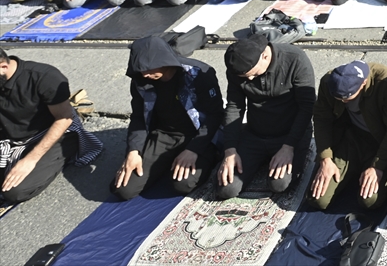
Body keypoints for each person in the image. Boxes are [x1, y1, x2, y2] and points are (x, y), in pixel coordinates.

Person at [112, 36, 223, 200]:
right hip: (163, 135)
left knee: (182, 184)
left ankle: (207, 158)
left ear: (163, 60)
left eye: (149, 69)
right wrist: (133, 151)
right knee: (123, 189)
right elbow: (138, 118)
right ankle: (164, 163)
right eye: (141, 70)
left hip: (197, 133)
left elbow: (215, 115)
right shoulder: (140, 80)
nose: (146, 74)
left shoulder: (198, 74)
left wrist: (194, 149)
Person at [217, 35, 316, 199]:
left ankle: (292, 157)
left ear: (264, 55)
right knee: (226, 189)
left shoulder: (295, 59)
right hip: (255, 133)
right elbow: (235, 106)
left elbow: (307, 107)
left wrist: (288, 147)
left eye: (252, 74)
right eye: (245, 77)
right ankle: (258, 159)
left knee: (279, 184)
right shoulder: (238, 68)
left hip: (289, 134)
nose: (249, 79)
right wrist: (230, 150)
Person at [0, 49, 101, 204]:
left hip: (53, 134)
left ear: (3, 67)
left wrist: (30, 160)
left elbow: (64, 119)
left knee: (13, 191)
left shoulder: (44, 77)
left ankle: (67, 151)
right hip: (11, 136)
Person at [308, 60, 387, 211]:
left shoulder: (386, 81)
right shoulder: (329, 81)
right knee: (318, 199)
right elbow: (321, 120)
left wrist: (378, 166)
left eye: (347, 98)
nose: (343, 102)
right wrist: (325, 158)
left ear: (364, 83)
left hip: (380, 143)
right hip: (350, 139)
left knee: (369, 201)